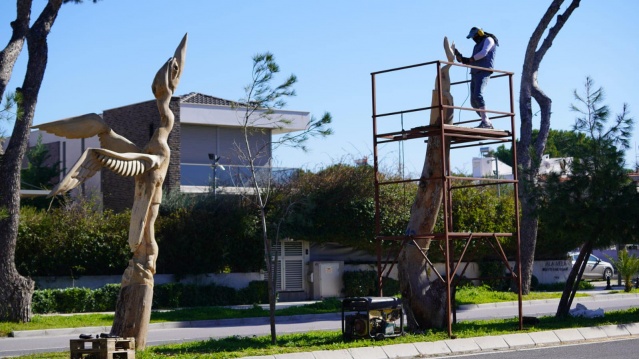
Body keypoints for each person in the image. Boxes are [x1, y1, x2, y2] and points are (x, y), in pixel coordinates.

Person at [454, 27, 499, 129]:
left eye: (474, 36)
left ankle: (485, 122)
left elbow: (484, 53)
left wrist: (469, 59)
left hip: (484, 71)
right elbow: (473, 60)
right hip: (475, 73)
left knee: (478, 95)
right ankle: (486, 121)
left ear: (479, 34)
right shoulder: (476, 46)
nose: (474, 39)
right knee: (473, 101)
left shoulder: (488, 40)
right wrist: (461, 58)